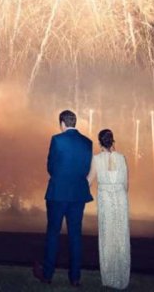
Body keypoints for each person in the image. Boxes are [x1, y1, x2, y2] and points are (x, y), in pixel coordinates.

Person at [34, 110, 93, 287]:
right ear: (75, 122)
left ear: (62, 123)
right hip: (78, 194)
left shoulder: (57, 140)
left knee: (53, 233)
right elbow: (85, 168)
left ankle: (47, 275)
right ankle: (75, 278)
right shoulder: (87, 142)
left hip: (58, 193)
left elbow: (51, 166)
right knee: (75, 236)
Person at [88, 129, 130, 289]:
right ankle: (121, 277)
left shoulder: (97, 159)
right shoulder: (122, 158)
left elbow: (89, 180)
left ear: (99, 142)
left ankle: (109, 278)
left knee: (107, 235)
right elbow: (126, 184)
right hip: (120, 198)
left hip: (105, 199)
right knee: (121, 235)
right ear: (113, 141)